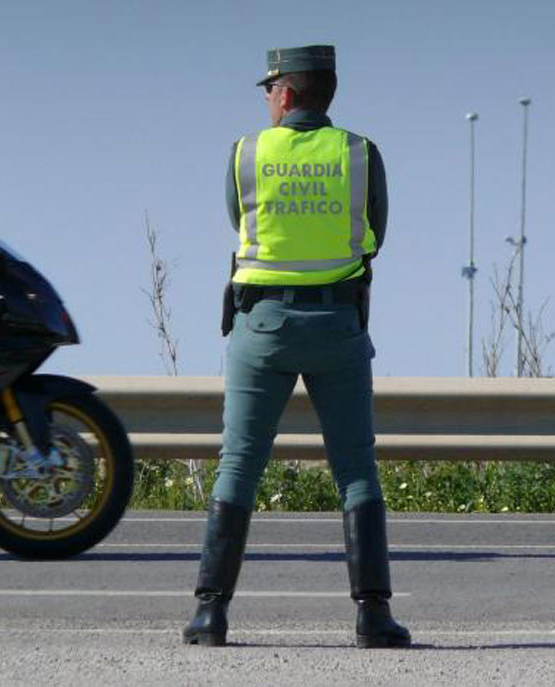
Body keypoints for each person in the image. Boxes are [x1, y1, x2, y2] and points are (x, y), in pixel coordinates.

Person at [182, 45, 411, 649]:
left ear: (285, 93)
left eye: (268, 89)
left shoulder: (247, 153)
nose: (265, 99)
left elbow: (239, 221)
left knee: (239, 464)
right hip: (338, 326)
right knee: (356, 471)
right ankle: (373, 617)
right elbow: (375, 234)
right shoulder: (361, 154)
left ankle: (211, 615)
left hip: (262, 330)